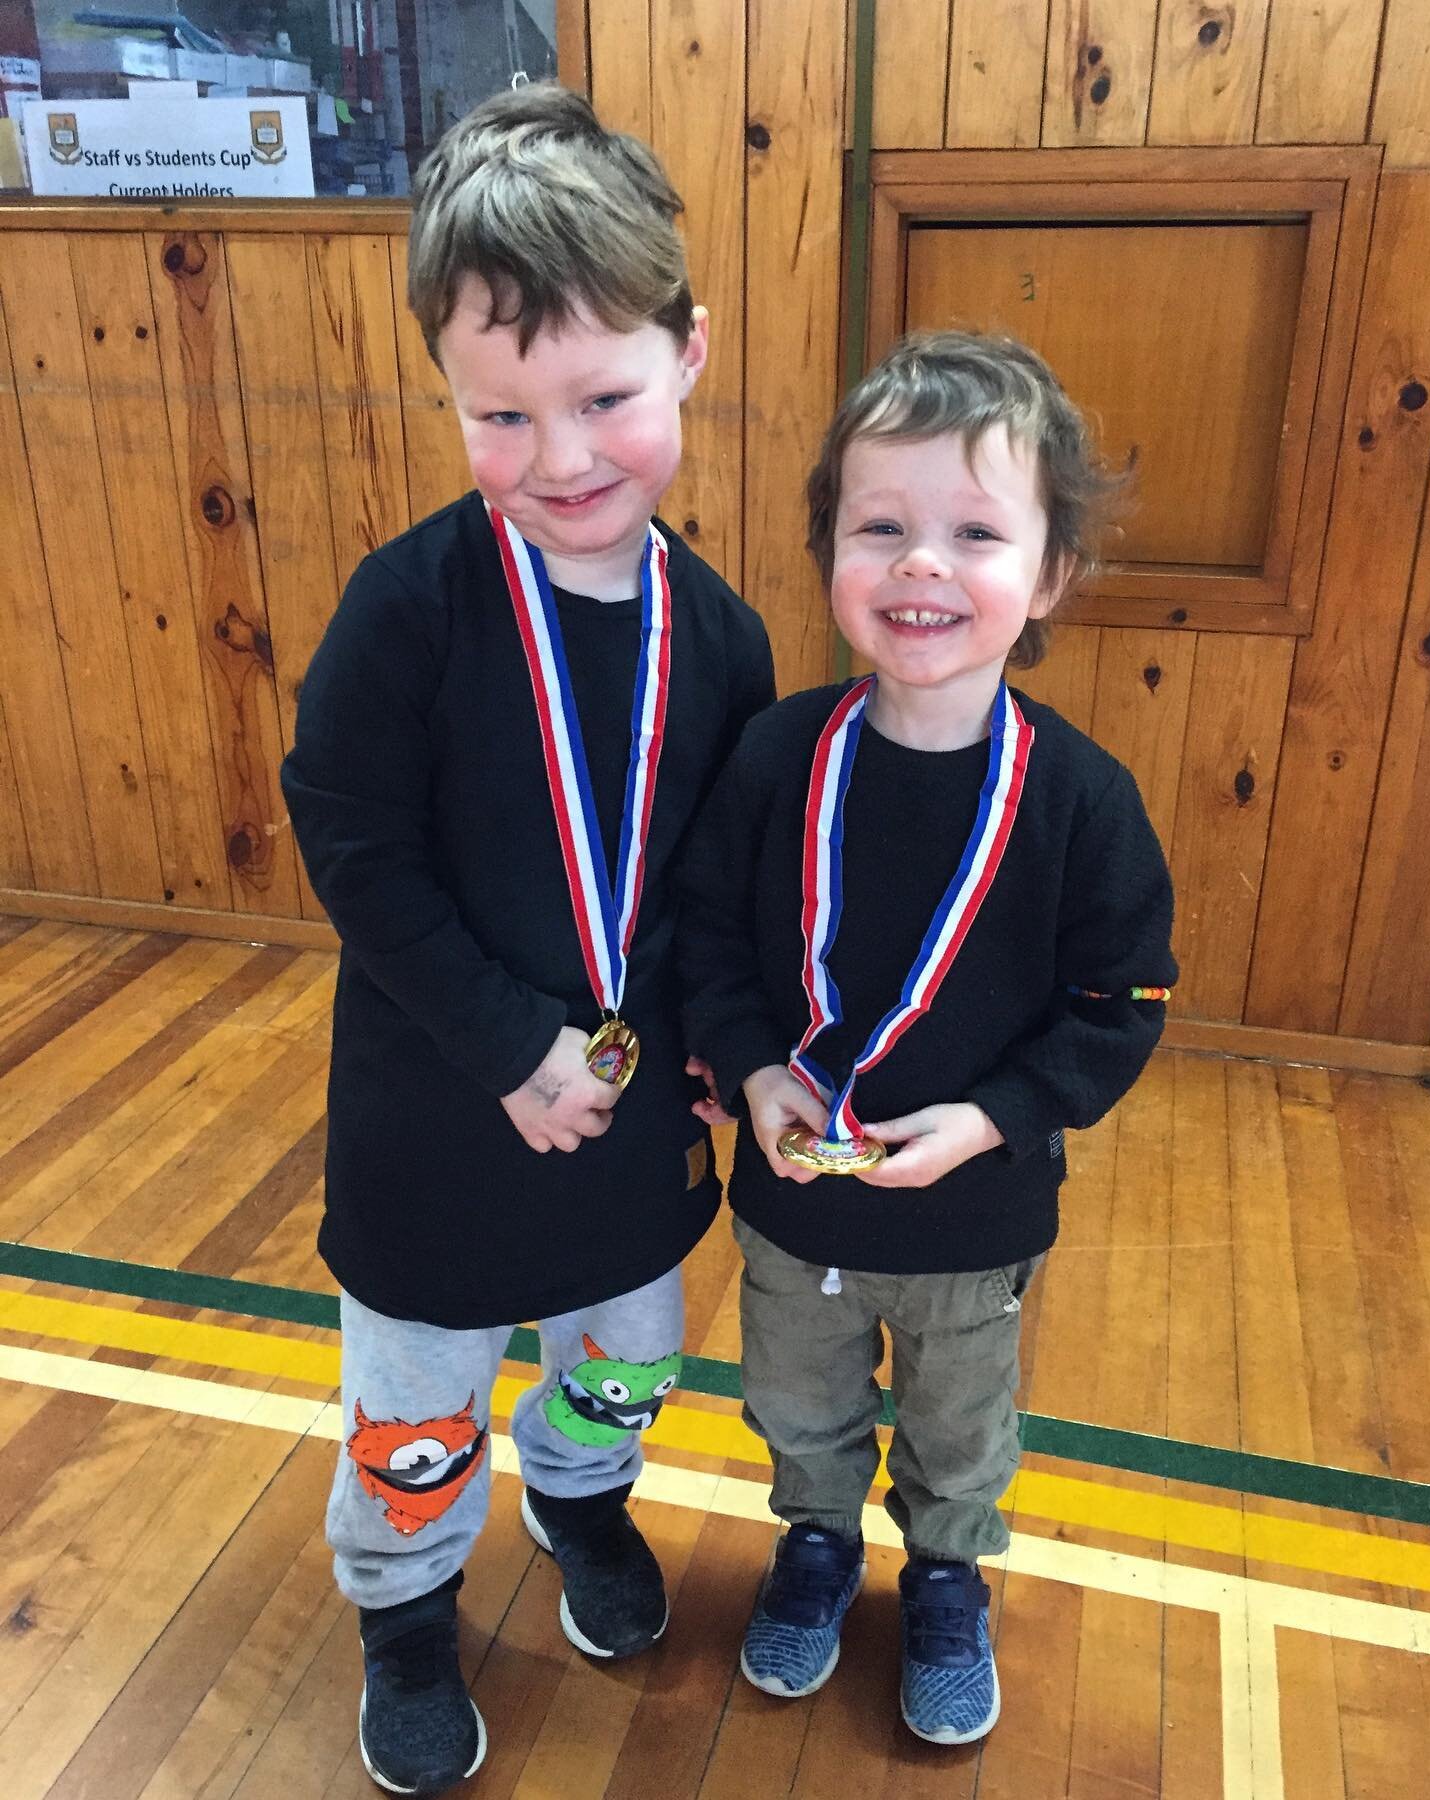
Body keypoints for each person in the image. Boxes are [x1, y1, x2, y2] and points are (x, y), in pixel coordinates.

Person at [281, 83, 773, 1796]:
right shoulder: (406, 608)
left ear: (690, 352)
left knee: (630, 1356)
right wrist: (505, 1046)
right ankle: (405, 1610)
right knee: (417, 1411)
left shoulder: (725, 636)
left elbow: (718, 885)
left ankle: (577, 1496)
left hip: (631, 1119)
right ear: (449, 392)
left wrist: (727, 1051)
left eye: (605, 399)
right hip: (438, 1111)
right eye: (502, 415)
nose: (561, 460)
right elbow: (350, 839)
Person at [680, 331, 1176, 1747]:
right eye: (879, 526)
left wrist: (997, 1117)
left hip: (977, 1216)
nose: (920, 567)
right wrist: (757, 1064)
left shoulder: (1083, 800)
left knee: (963, 1432)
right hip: (791, 1204)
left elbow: (1121, 1005)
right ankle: (818, 1544)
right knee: (797, 1402)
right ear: (830, 545)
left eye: (975, 531)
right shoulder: (777, 756)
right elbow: (709, 940)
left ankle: (947, 1579)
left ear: (1050, 576)